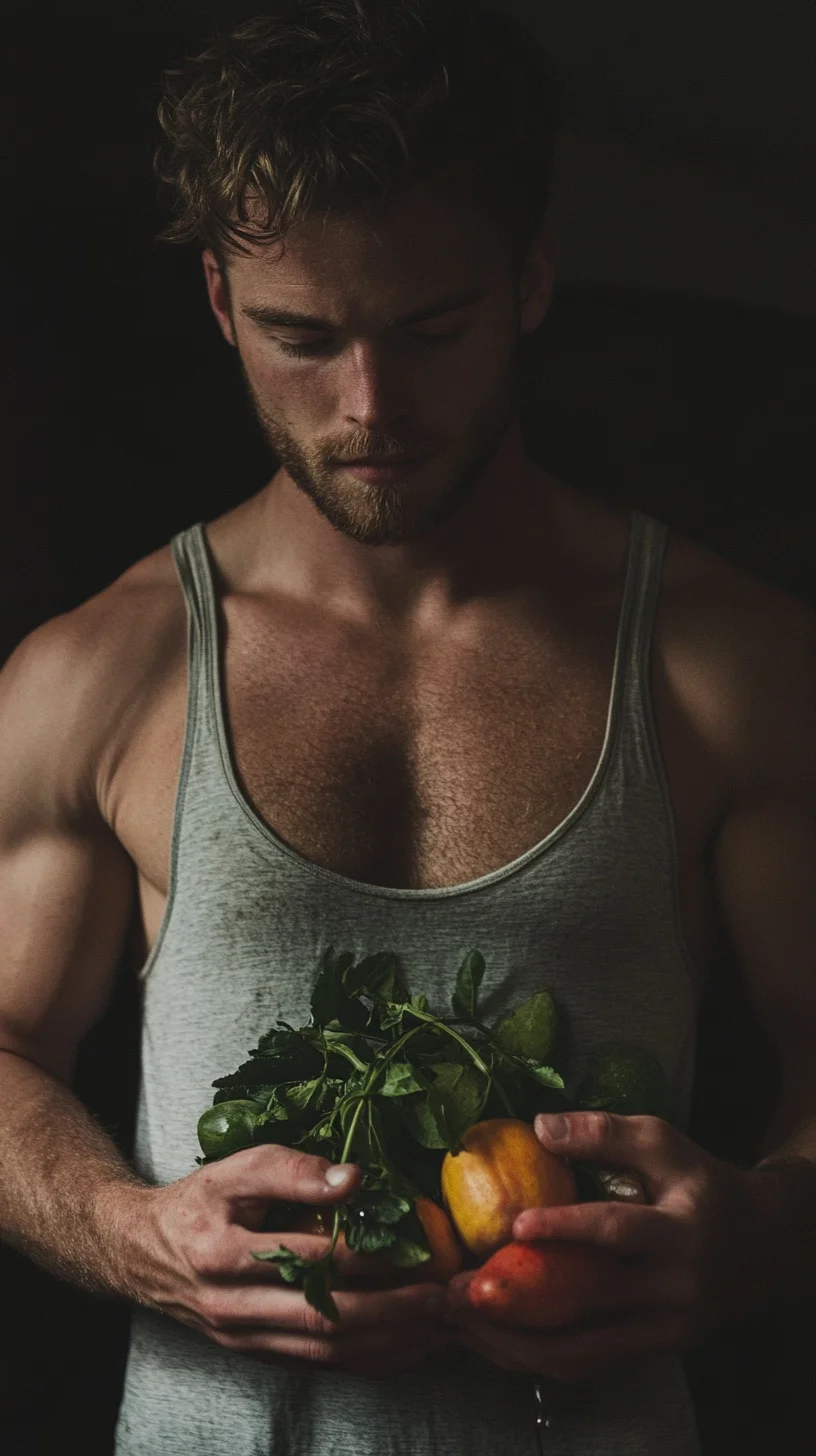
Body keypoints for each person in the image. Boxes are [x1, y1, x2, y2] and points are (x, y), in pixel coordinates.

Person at [1, 1, 815, 1452]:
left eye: (432, 330)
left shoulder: (729, 662)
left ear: (533, 281)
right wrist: (134, 1235)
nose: (370, 406)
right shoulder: (102, 672)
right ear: (215, 304)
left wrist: (763, 1225)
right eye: (301, 338)